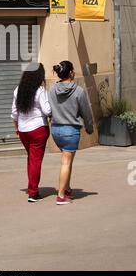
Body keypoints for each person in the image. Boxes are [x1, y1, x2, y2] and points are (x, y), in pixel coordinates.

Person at [49, 60, 93, 205]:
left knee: (67, 161)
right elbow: (86, 112)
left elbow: (49, 109)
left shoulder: (51, 89)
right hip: (70, 131)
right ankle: (61, 196)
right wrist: (89, 126)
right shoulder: (79, 91)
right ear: (72, 72)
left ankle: (66, 188)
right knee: (66, 163)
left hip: (55, 130)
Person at [11, 62, 51, 202]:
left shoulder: (18, 90)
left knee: (31, 159)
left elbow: (14, 113)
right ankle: (33, 193)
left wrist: (17, 128)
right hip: (38, 129)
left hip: (23, 130)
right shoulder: (40, 91)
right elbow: (47, 111)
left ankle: (31, 187)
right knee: (35, 160)